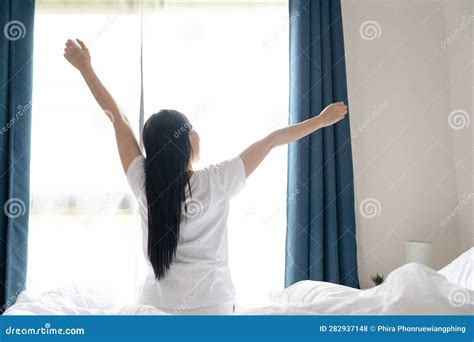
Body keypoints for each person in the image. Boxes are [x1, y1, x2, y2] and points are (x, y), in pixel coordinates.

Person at [63, 38, 348, 315]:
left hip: (156, 307)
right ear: (186, 140)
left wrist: (85, 68)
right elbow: (271, 141)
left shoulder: (142, 182)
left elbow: (118, 120)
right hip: (214, 306)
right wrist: (320, 121)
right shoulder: (218, 180)